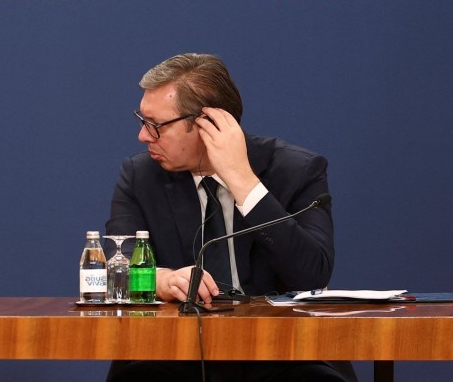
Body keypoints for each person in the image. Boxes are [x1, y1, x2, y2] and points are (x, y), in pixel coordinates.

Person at [105, 53, 355, 382]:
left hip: (283, 353)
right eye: (142, 120)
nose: (143, 136)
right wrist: (161, 280)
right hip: (175, 351)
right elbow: (115, 264)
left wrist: (242, 180)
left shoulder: (296, 170)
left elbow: (311, 275)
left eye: (156, 126)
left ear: (209, 123)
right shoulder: (140, 175)